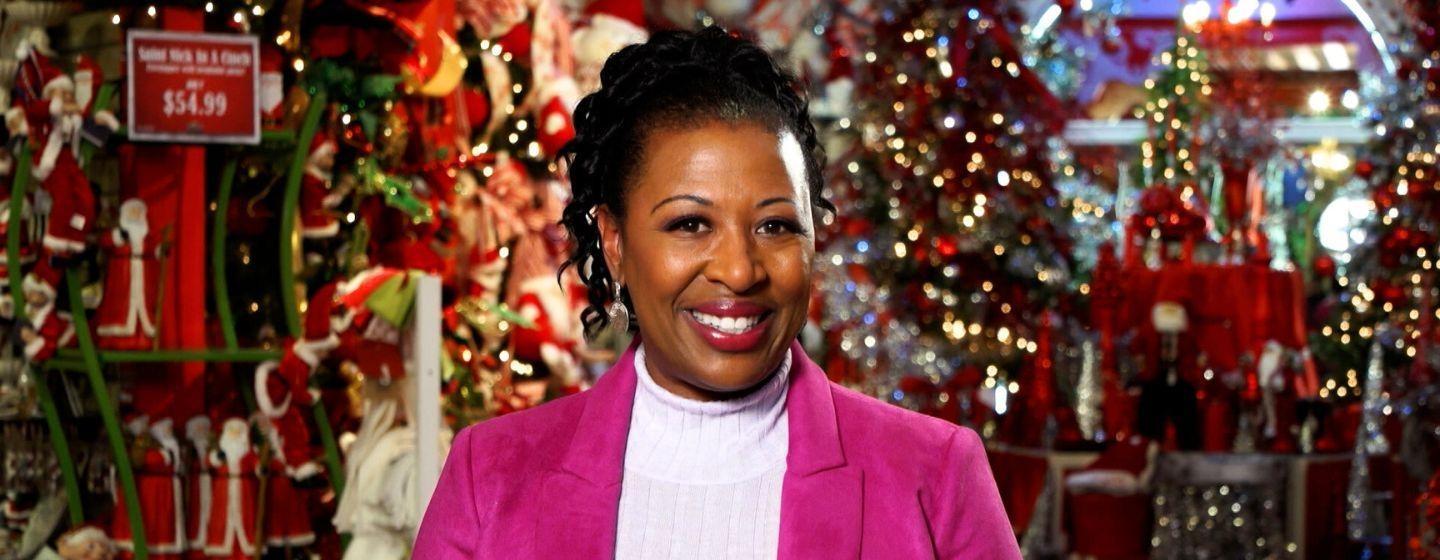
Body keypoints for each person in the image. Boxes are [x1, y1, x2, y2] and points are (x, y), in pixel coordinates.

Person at [414, 26, 1019, 559]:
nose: (739, 270)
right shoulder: (488, 475)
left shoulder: (934, 475)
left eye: (775, 226)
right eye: (690, 224)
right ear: (615, 241)